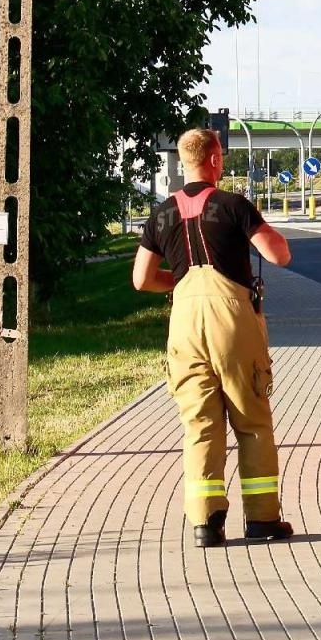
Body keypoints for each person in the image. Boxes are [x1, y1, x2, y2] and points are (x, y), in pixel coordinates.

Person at [133, 128, 295, 548]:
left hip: (184, 324)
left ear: (182, 162)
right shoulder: (233, 205)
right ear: (215, 160)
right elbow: (279, 255)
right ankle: (261, 519)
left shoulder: (161, 214)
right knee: (251, 421)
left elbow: (141, 279)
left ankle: (205, 523)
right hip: (232, 320)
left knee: (200, 424)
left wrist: (180, 280)